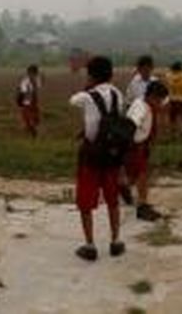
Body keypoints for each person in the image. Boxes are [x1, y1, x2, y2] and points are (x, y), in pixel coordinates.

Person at [69, 56, 126, 262]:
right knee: (112, 200)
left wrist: (87, 87)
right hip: (112, 153)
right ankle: (115, 241)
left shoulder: (87, 96)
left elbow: (72, 100)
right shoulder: (117, 94)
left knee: (86, 201)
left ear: (91, 75)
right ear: (110, 74)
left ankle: (90, 244)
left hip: (91, 154)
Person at [125, 80, 169, 221]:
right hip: (134, 147)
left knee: (135, 176)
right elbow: (131, 125)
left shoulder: (144, 103)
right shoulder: (141, 108)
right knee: (142, 176)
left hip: (141, 146)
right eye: (160, 100)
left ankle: (123, 188)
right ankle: (142, 207)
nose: (161, 104)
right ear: (152, 97)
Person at [166, 61, 182, 139]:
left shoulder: (169, 75)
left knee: (172, 118)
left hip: (172, 99)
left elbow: (167, 82)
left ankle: (173, 134)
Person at [17, 65, 42, 138]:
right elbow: (37, 88)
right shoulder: (37, 79)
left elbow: (22, 91)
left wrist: (19, 99)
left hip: (28, 98)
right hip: (33, 97)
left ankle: (31, 127)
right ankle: (31, 126)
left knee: (27, 113)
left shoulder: (26, 80)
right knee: (33, 113)